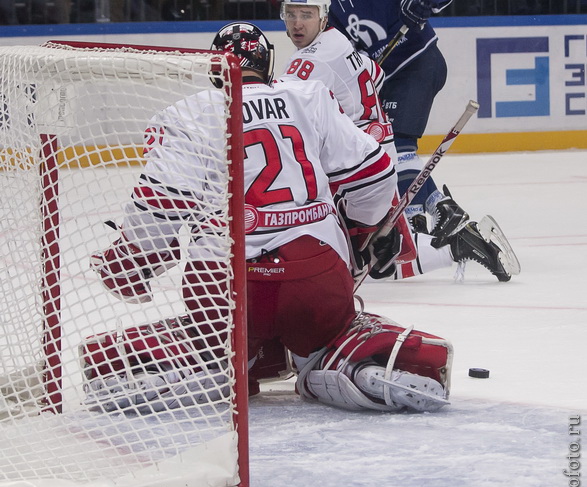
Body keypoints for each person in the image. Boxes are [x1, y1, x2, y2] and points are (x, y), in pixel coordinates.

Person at [86, 22, 453, 414]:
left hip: (223, 289)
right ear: (269, 64)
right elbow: (375, 170)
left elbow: (161, 201)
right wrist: (363, 231)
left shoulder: (188, 114)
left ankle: (215, 363)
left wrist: (132, 263)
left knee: (204, 339)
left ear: (214, 69)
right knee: (330, 332)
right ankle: (345, 362)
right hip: (315, 278)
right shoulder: (307, 95)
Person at [279, 0, 520, 283]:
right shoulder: (337, 41)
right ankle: (459, 245)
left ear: (323, 15)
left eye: (307, 14)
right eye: (292, 14)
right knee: (376, 260)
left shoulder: (310, 62)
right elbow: (375, 74)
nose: (297, 23)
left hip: (355, 170)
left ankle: (455, 241)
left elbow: (278, 113)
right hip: (371, 155)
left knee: (358, 261)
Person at [311, 0, 467, 248]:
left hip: (419, 63)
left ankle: (436, 208)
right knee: (382, 146)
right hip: (385, 81)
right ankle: (431, 209)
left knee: (400, 142)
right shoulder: (324, 1)